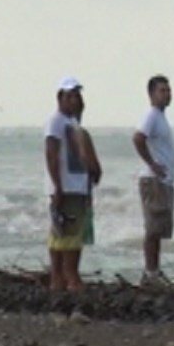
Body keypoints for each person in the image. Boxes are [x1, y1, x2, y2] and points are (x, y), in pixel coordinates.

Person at [45, 76, 90, 292]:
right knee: (66, 234)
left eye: (77, 96)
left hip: (77, 185)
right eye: (70, 96)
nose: (75, 100)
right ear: (60, 97)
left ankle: (63, 278)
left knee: (70, 232)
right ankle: (66, 276)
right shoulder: (56, 121)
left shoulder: (72, 123)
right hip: (65, 186)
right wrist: (57, 185)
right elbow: (51, 153)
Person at [133, 75, 174, 283]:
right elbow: (138, 138)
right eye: (162, 91)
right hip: (153, 181)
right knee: (152, 229)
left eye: (168, 90)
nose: (167, 94)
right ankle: (150, 272)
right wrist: (152, 164)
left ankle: (154, 271)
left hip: (163, 182)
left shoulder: (160, 117)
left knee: (158, 229)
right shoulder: (151, 115)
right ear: (151, 94)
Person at [73, 94, 102, 246]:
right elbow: (93, 166)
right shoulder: (81, 134)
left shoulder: (57, 133)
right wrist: (95, 175)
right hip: (81, 193)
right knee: (79, 239)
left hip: (64, 193)